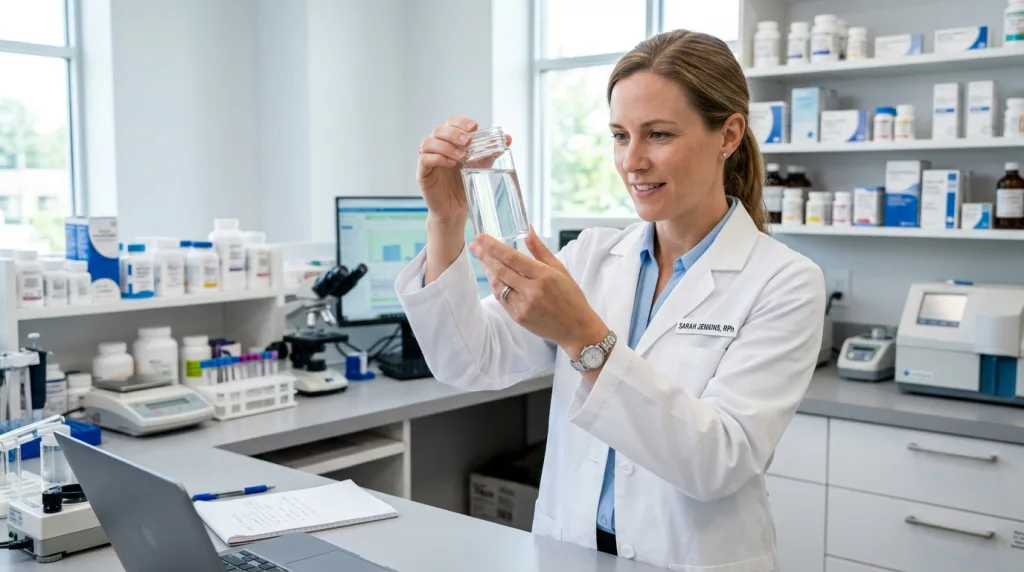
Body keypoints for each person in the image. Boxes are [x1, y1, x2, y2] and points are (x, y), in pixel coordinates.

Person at [396, 29, 825, 570]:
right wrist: (446, 219)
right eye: (621, 135)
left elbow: (720, 460)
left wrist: (583, 337)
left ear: (729, 134)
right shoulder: (592, 257)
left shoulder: (784, 281)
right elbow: (469, 362)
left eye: (659, 135)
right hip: (570, 551)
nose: (632, 161)